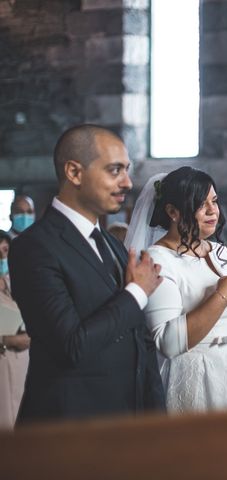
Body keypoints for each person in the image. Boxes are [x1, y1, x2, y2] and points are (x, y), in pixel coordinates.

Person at [9, 124, 165, 423]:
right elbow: (71, 346)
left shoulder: (113, 245)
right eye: (115, 170)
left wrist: (156, 421)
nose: (128, 183)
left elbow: (140, 342)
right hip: (69, 429)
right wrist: (136, 293)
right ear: (74, 173)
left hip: (127, 425)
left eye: (127, 170)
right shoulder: (34, 247)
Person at [125, 167, 227, 412]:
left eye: (214, 201)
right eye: (201, 204)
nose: (213, 211)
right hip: (196, 377)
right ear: (172, 212)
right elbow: (168, 342)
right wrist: (221, 297)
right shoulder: (158, 260)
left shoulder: (220, 252)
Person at [0, 230, 30, 428]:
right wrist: (5, 340)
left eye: (5, 251)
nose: (3, 257)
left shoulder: (21, 283)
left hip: (24, 362)